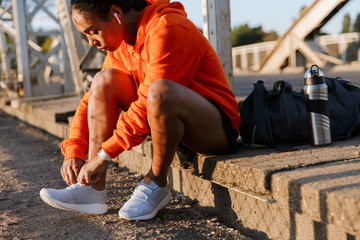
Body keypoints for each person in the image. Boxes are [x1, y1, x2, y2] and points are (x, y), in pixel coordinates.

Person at [40, 0, 240, 220]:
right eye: (86, 35)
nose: (90, 42)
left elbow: (147, 103)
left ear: (116, 13)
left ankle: (156, 182)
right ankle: (91, 190)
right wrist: (74, 152)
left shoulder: (168, 28)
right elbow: (90, 102)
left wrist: (103, 155)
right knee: (103, 80)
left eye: (94, 31)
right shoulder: (122, 46)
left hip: (213, 131)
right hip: (168, 126)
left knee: (161, 91)